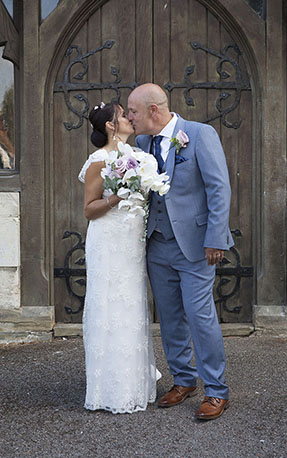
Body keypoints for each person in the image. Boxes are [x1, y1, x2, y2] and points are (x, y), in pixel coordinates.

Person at [126, 84, 233, 421]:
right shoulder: (142, 143)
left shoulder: (200, 135)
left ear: (153, 111)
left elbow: (219, 187)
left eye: (133, 111)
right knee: (170, 317)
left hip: (196, 246)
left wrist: (216, 237)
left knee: (200, 317)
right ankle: (184, 380)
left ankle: (216, 390)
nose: (129, 117)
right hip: (156, 245)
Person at [79, 102, 160, 413]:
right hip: (108, 241)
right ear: (111, 126)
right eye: (124, 115)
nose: (129, 117)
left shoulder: (139, 157)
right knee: (110, 307)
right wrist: (117, 195)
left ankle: (134, 381)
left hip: (131, 243)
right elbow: (89, 209)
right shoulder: (99, 161)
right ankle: (109, 388)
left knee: (132, 306)